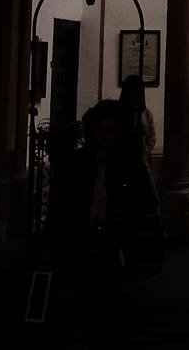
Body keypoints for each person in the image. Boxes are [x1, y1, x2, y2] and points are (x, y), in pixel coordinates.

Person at [50, 99, 159, 349]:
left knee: (108, 298)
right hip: (84, 237)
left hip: (112, 240)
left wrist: (125, 221)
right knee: (86, 296)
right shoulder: (79, 163)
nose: (106, 137)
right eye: (102, 131)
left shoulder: (128, 165)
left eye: (111, 131)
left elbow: (144, 201)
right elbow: (63, 201)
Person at [119, 74, 156, 168]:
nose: (133, 94)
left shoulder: (146, 113)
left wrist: (146, 150)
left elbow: (151, 136)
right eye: (131, 90)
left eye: (136, 91)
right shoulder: (118, 111)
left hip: (141, 159)